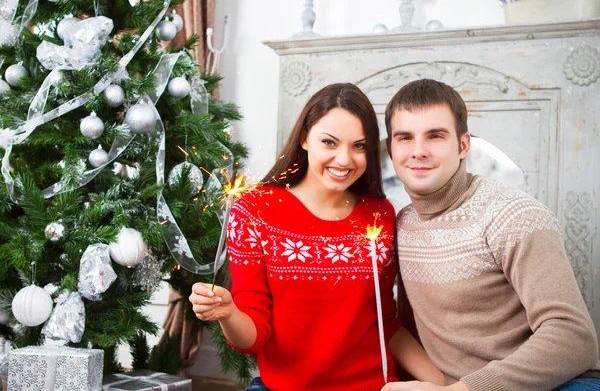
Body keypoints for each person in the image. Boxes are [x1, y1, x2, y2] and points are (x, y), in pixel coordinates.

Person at [189, 83, 442, 391]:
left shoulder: (380, 214)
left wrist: (446, 385)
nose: (344, 160)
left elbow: (384, 320)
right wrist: (227, 313)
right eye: (329, 142)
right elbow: (252, 338)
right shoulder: (255, 210)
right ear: (305, 138)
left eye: (359, 146)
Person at [382, 79, 600, 391]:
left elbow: (575, 337)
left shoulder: (513, 214)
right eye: (405, 137)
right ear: (391, 148)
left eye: (435, 136)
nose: (418, 151)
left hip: (558, 385)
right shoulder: (403, 225)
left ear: (463, 145)